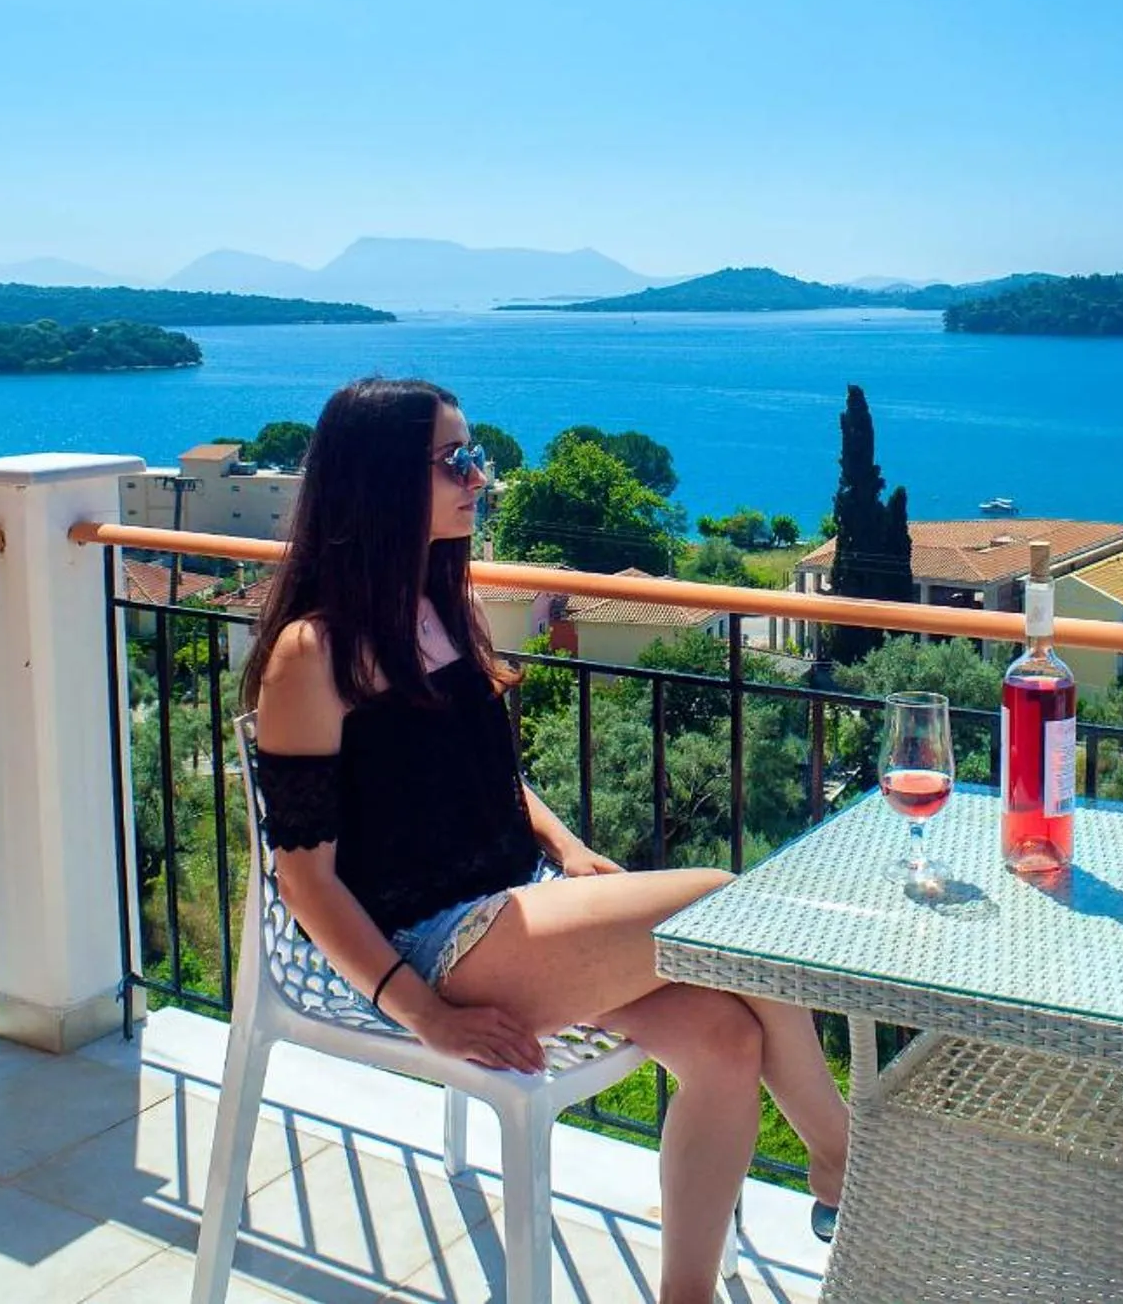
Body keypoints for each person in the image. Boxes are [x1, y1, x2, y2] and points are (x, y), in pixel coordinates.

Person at [241, 376, 849, 1302]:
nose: (478, 475)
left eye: (472, 452)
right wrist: (425, 1013)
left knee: (725, 1037)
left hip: (519, 903)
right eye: (453, 458)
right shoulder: (311, 655)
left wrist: (566, 849)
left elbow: (495, 781)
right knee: (729, 897)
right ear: (375, 478)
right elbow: (306, 879)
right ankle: (842, 1158)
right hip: (429, 946)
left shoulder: (448, 611)